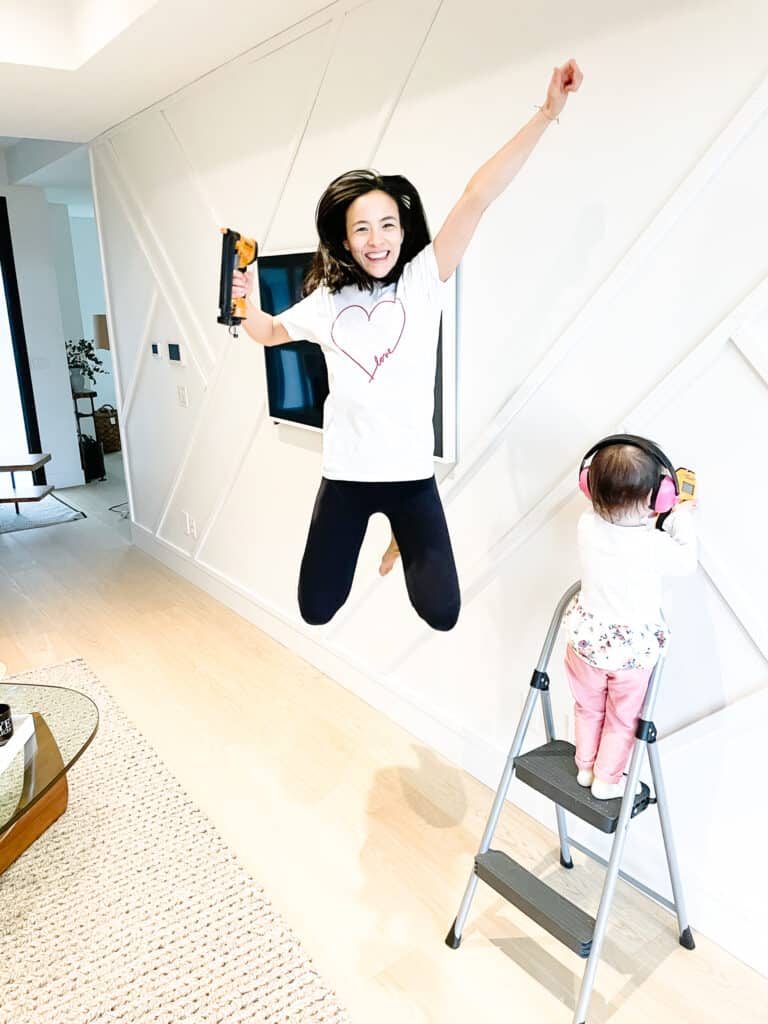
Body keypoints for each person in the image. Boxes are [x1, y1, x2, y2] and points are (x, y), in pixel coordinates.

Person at [236, 60, 583, 630]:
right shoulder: (326, 300)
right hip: (345, 476)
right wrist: (247, 302)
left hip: (409, 476)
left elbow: (477, 196)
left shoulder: (423, 281)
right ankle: (392, 531)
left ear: (404, 227)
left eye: (388, 224)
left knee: (441, 612)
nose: (378, 239)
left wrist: (547, 113)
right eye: (362, 228)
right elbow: (269, 332)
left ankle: (401, 533)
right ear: (344, 238)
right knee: (316, 609)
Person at [564, 436, 698, 800]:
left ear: (588, 486)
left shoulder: (586, 526)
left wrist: (650, 515)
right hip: (629, 655)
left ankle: (585, 766)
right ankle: (608, 779)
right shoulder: (653, 545)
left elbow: (622, 533)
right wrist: (679, 517)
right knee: (622, 719)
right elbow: (685, 561)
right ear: (658, 499)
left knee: (588, 707)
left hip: (586, 644)